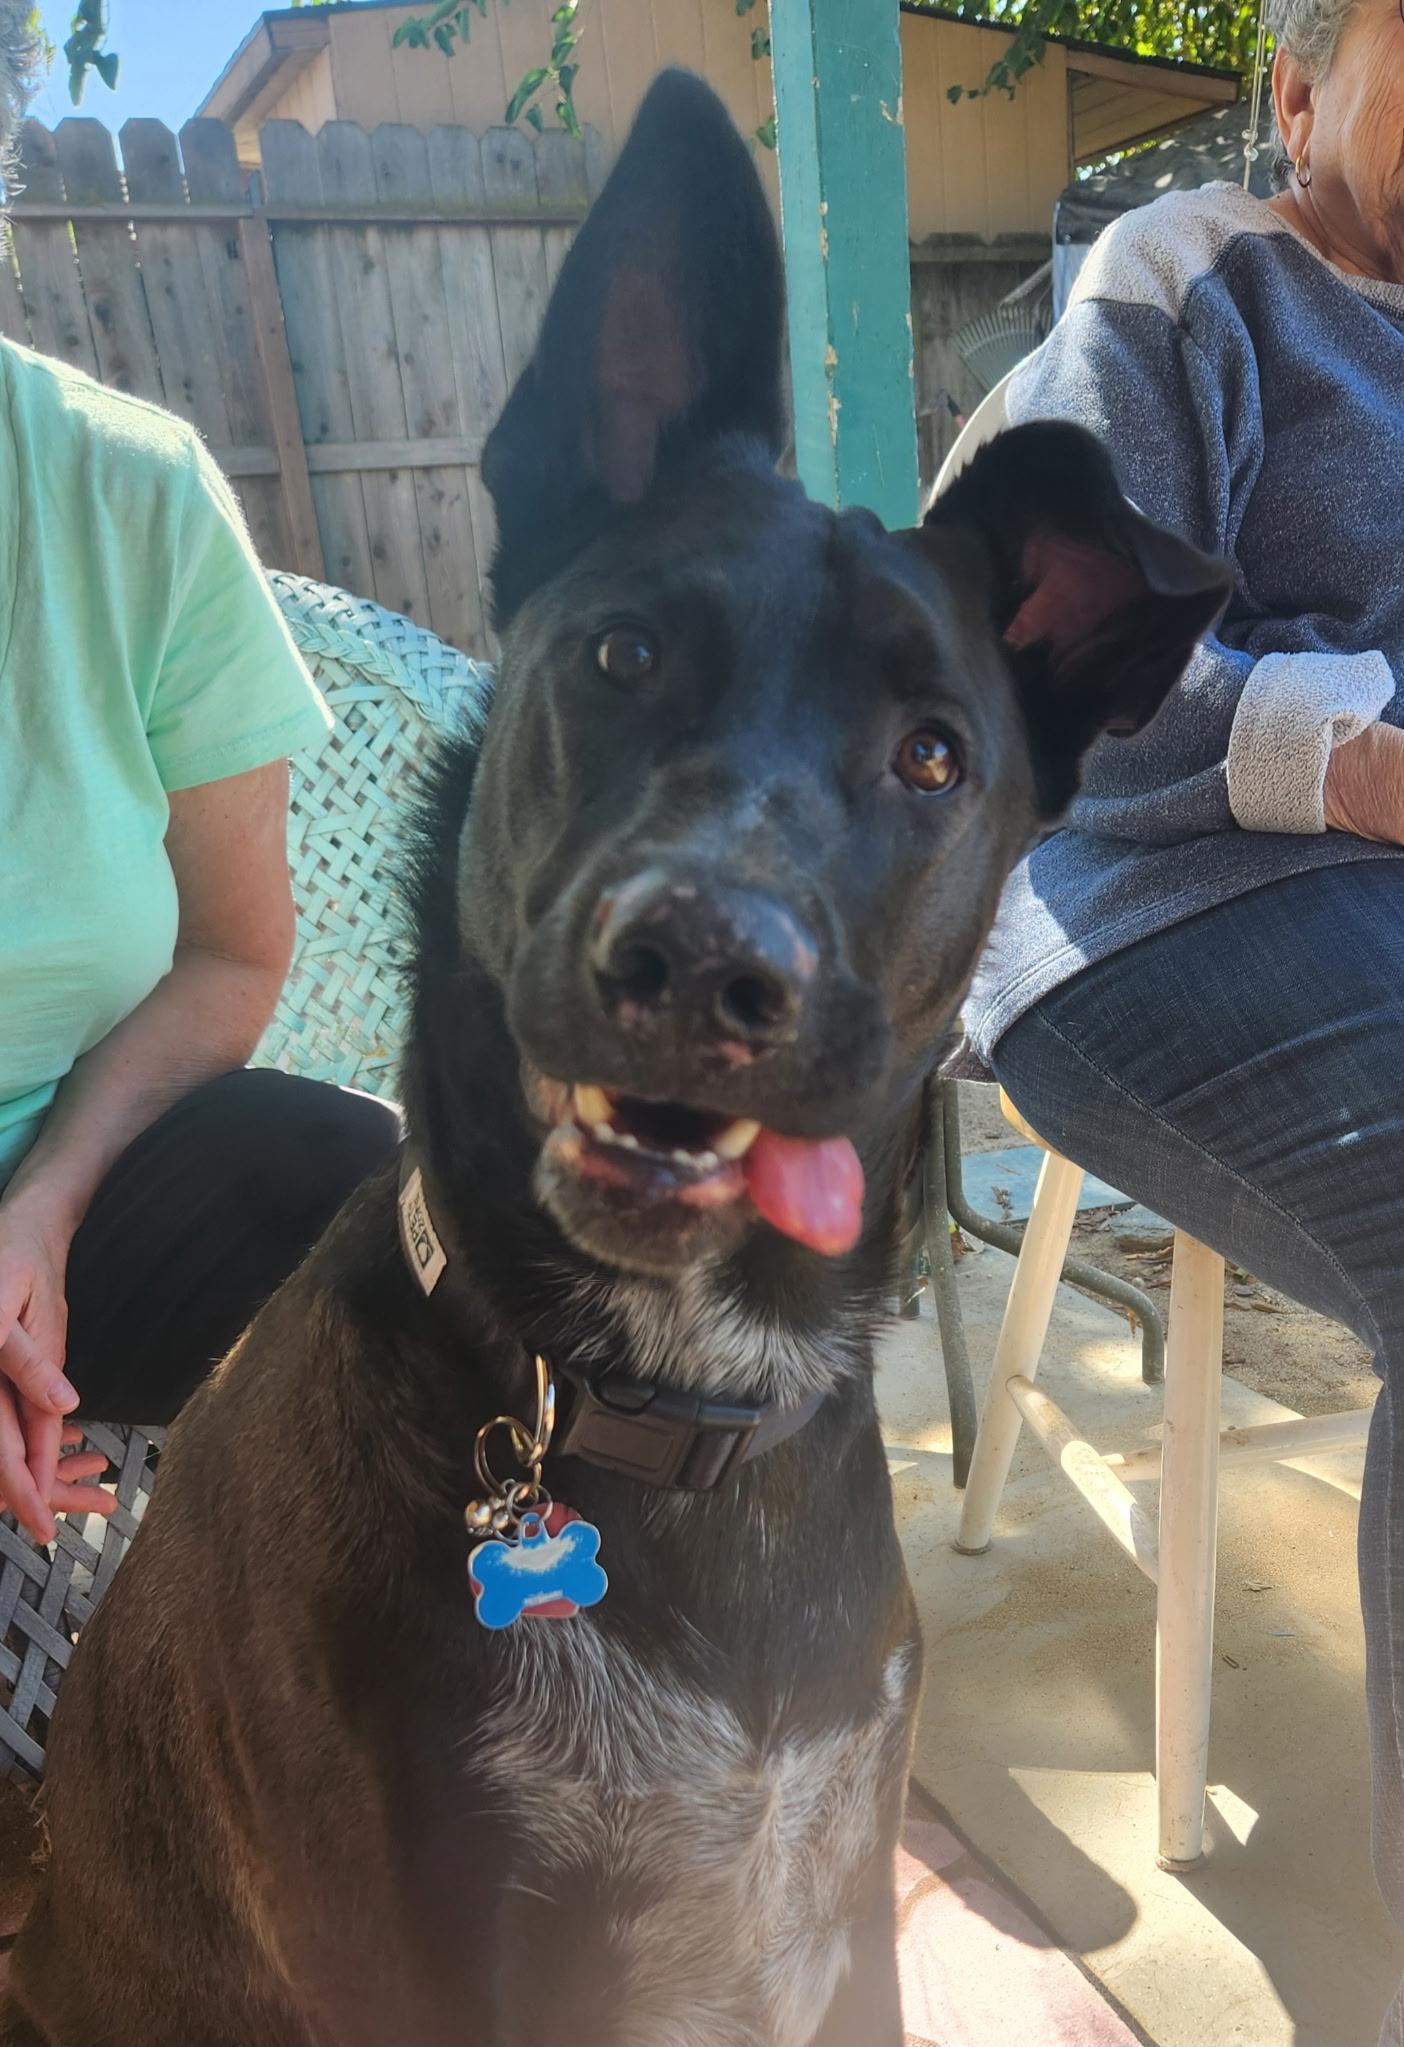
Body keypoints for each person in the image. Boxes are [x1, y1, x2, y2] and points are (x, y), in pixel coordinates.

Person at [962, 0, 1404, 2031]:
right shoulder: (1196, 281)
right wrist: (1366, 762)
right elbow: (1046, 684)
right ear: (1304, 92)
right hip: (1140, 899)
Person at [0, 7, 399, 1548]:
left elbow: (234, 951)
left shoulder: (128, 492)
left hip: (70, 1201)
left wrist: (46, 1209)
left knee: (368, 1207)